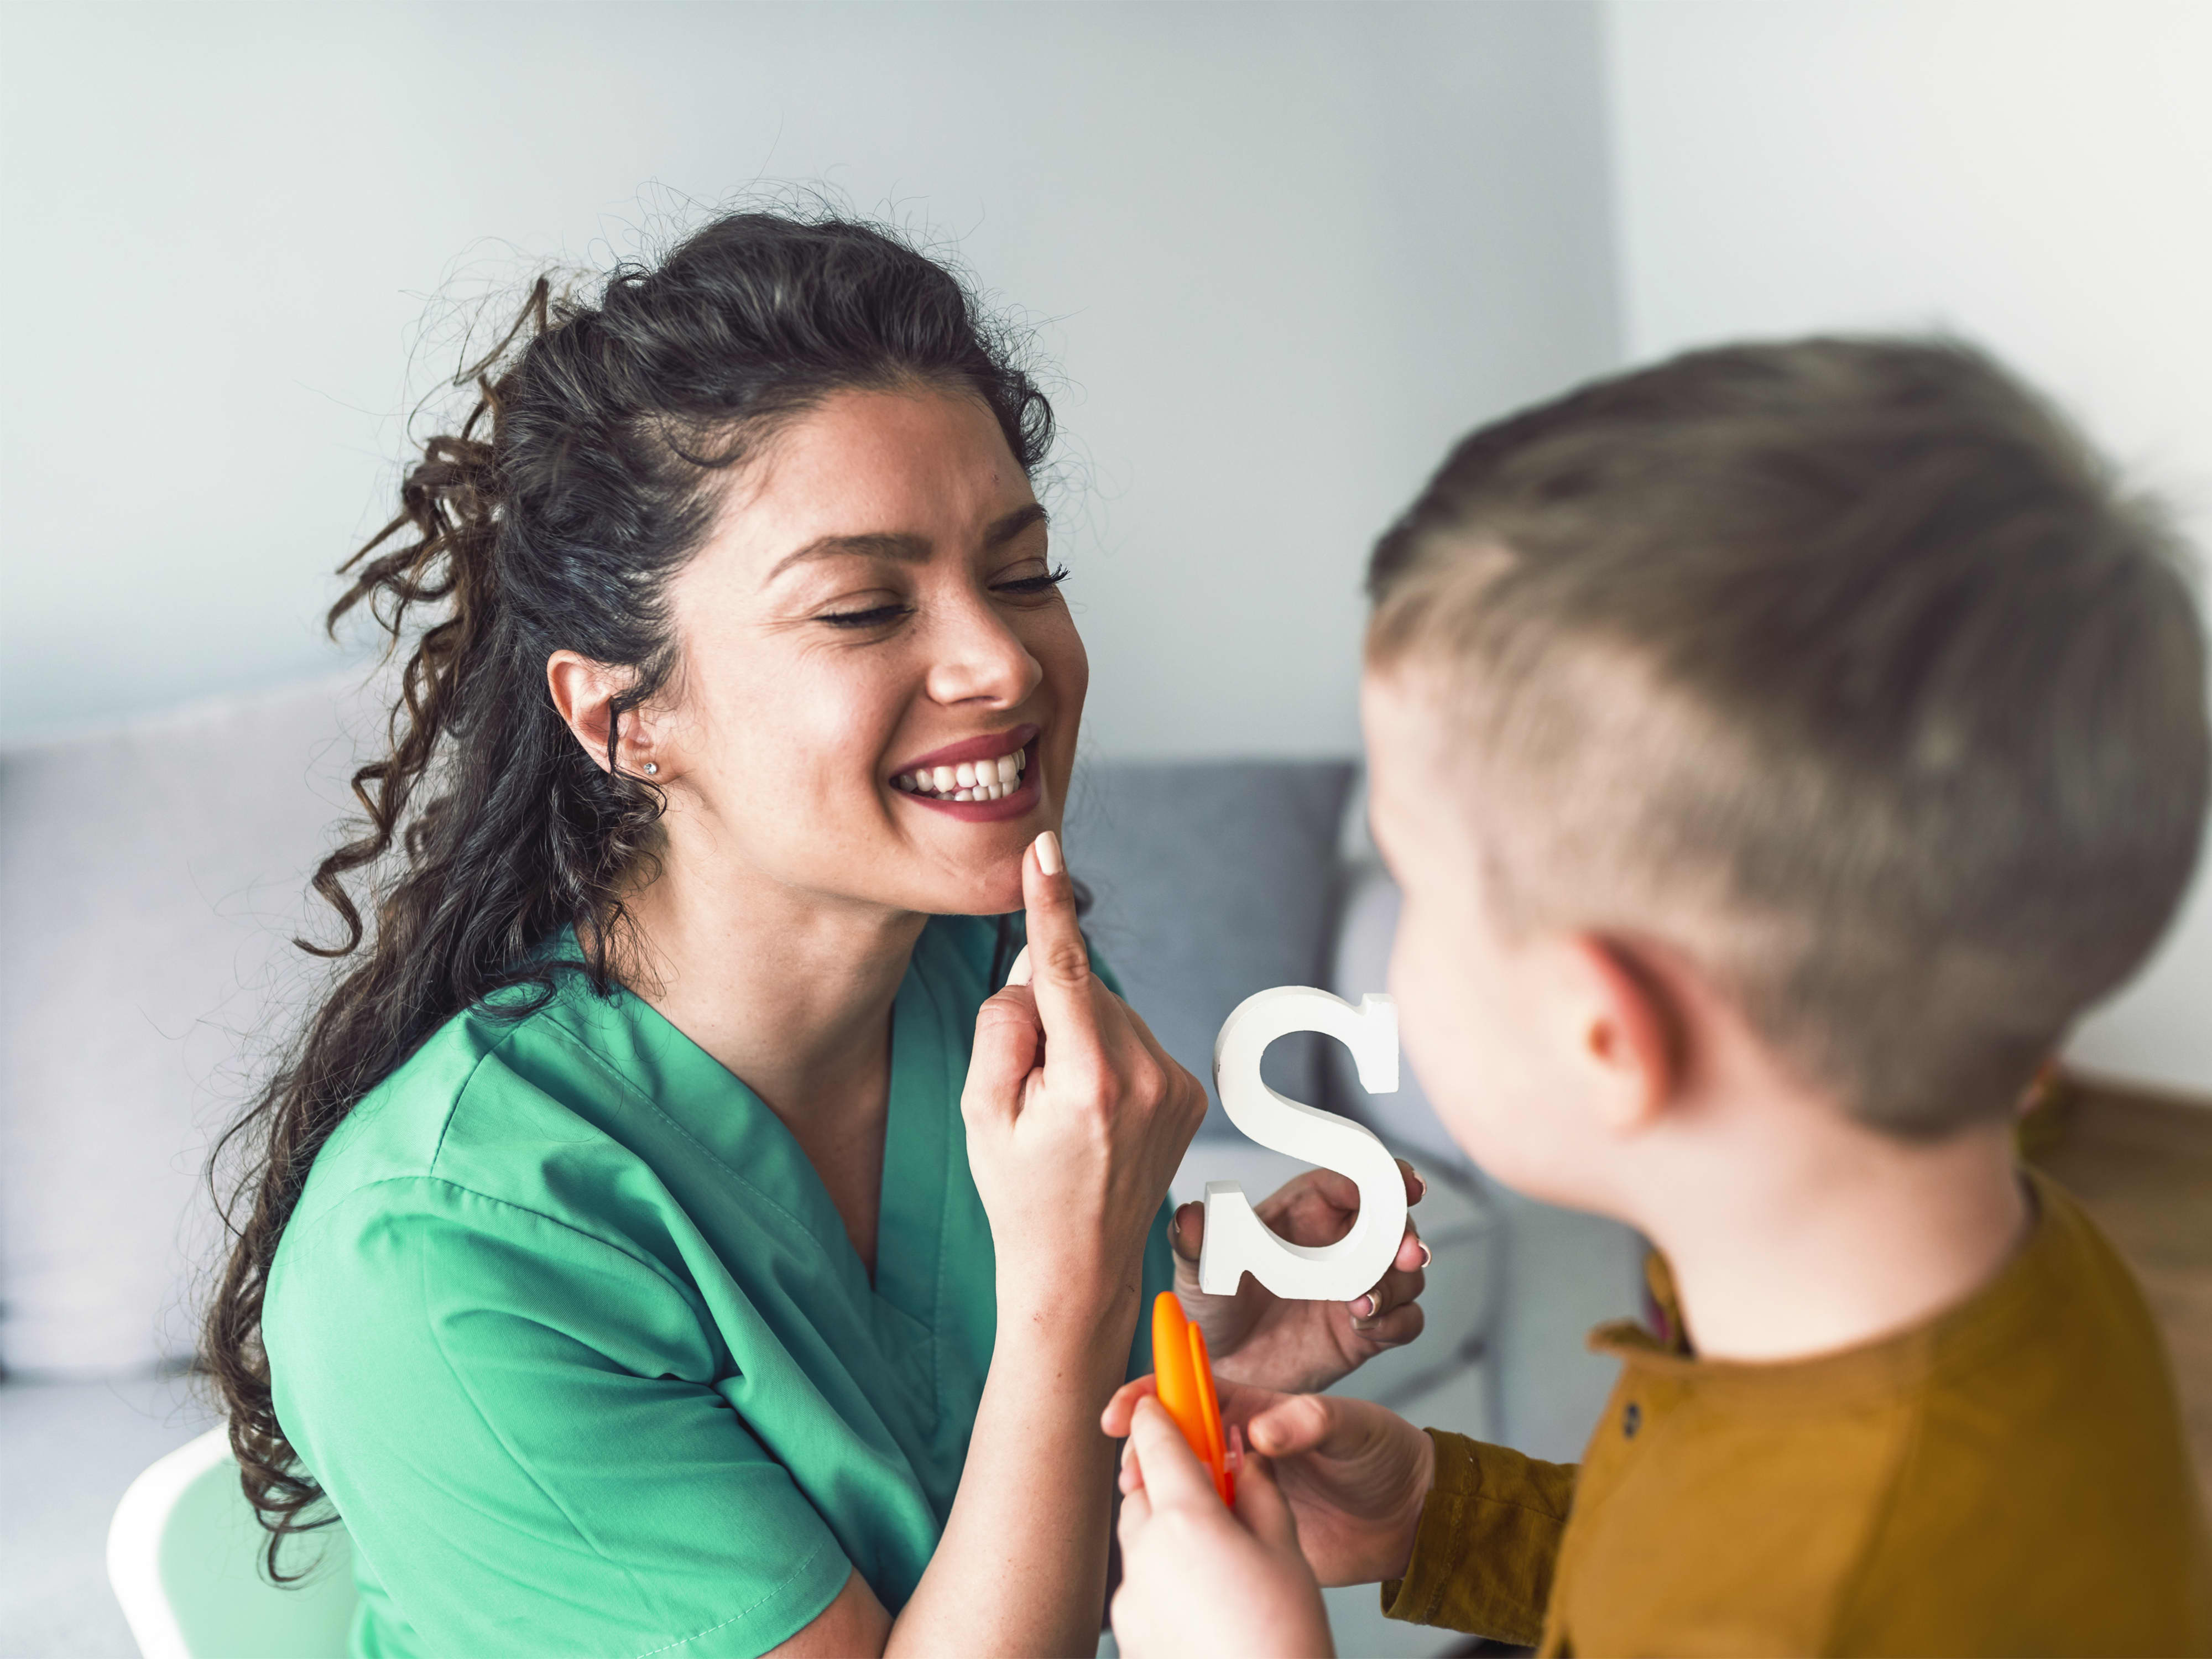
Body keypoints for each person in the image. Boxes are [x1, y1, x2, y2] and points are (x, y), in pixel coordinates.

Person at [202, 210, 1430, 1658]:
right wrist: (1074, 1289)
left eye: (1023, 573)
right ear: (621, 716)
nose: (1000, 659)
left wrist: (1178, 1368)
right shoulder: (441, 1259)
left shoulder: (975, 995)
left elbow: (982, 1513)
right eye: (863, 607)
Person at [1106, 337, 2212, 1656]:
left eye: (1411, 882)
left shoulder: (1801, 1603)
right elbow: (1686, 1553)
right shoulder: (2006, 1283)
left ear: (1602, 1035)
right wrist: (1443, 1520)